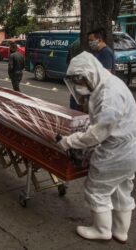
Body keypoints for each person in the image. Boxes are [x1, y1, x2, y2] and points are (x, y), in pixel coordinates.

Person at [58, 51, 136, 243]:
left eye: (80, 81)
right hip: (129, 149)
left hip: (115, 152)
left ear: (89, 73)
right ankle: (120, 232)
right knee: (120, 189)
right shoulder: (108, 84)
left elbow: (97, 133)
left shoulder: (109, 95)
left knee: (97, 189)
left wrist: (69, 141)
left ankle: (102, 230)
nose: (79, 86)